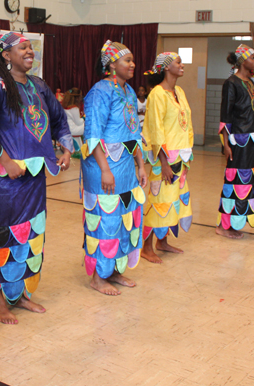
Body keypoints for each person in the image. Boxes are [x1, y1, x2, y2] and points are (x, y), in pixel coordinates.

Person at [0, 32, 73, 324]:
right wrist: (4, 159)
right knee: (1, 237)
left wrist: (65, 148)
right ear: (5, 54)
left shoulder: (38, 85)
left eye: (31, 47)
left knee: (29, 235)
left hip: (33, 177)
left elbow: (58, 117)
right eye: (23, 47)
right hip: (3, 180)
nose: (30, 51)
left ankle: (21, 293)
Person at [81, 40, 147, 296]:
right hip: (103, 166)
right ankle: (98, 277)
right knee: (105, 219)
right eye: (127, 60)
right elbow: (93, 134)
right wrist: (105, 169)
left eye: (132, 60)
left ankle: (114, 270)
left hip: (126, 168)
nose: (132, 65)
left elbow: (134, 133)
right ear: (111, 64)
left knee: (124, 218)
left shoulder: (129, 91)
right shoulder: (100, 91)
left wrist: (140, 165)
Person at [141, 52, 193, 264]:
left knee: (173, 201)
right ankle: (146, 247)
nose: (182, 65)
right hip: (164, 159)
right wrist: (163, 163)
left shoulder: (179, 91)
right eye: (178, 62)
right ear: (165, 67)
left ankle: (162, 242)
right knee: (159, 200)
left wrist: (188, 154)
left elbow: (186, 123)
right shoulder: (157, 94)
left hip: (180, 155)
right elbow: (155, 129)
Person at [215, 44, 254, 239]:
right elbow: (225, 116)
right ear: (242, 60)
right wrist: (226, 144)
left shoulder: (251, 82)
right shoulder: (231, 83)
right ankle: (223, 225)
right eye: (253, 57)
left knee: (248, 181)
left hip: (252, 139)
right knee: (234, 182)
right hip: (238, 140)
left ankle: (237, 221)